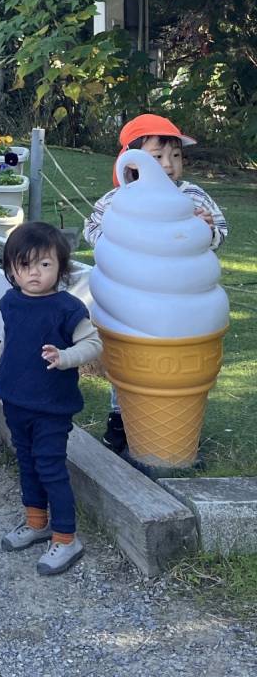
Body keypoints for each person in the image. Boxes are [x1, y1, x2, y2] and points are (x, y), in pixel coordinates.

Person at [82, 113, 228, 454]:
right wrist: (119, 239)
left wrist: (205, 228)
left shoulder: (193, 196)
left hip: (182, 306)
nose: (168, 164)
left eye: (176, 155)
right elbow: (92, 229)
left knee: (174, 370)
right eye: (157, 156)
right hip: (132, 305)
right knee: (128, 363)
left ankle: (176, 432)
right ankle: (120, 419)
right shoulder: (119, 199)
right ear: (132, 161)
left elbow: (220, 232)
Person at [0, 222, 102, 576]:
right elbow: (9, 344)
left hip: (51, 406)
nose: (34, 272)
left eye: (45, 264)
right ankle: (37, 522)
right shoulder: (11, 302)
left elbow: (93, 344)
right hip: (16, 402)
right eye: (25, 264)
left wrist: (65, 357)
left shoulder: (67, 308)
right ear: (11, 269)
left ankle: (66, 537)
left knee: (50, 467)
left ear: (61, 268)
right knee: (27, 462)